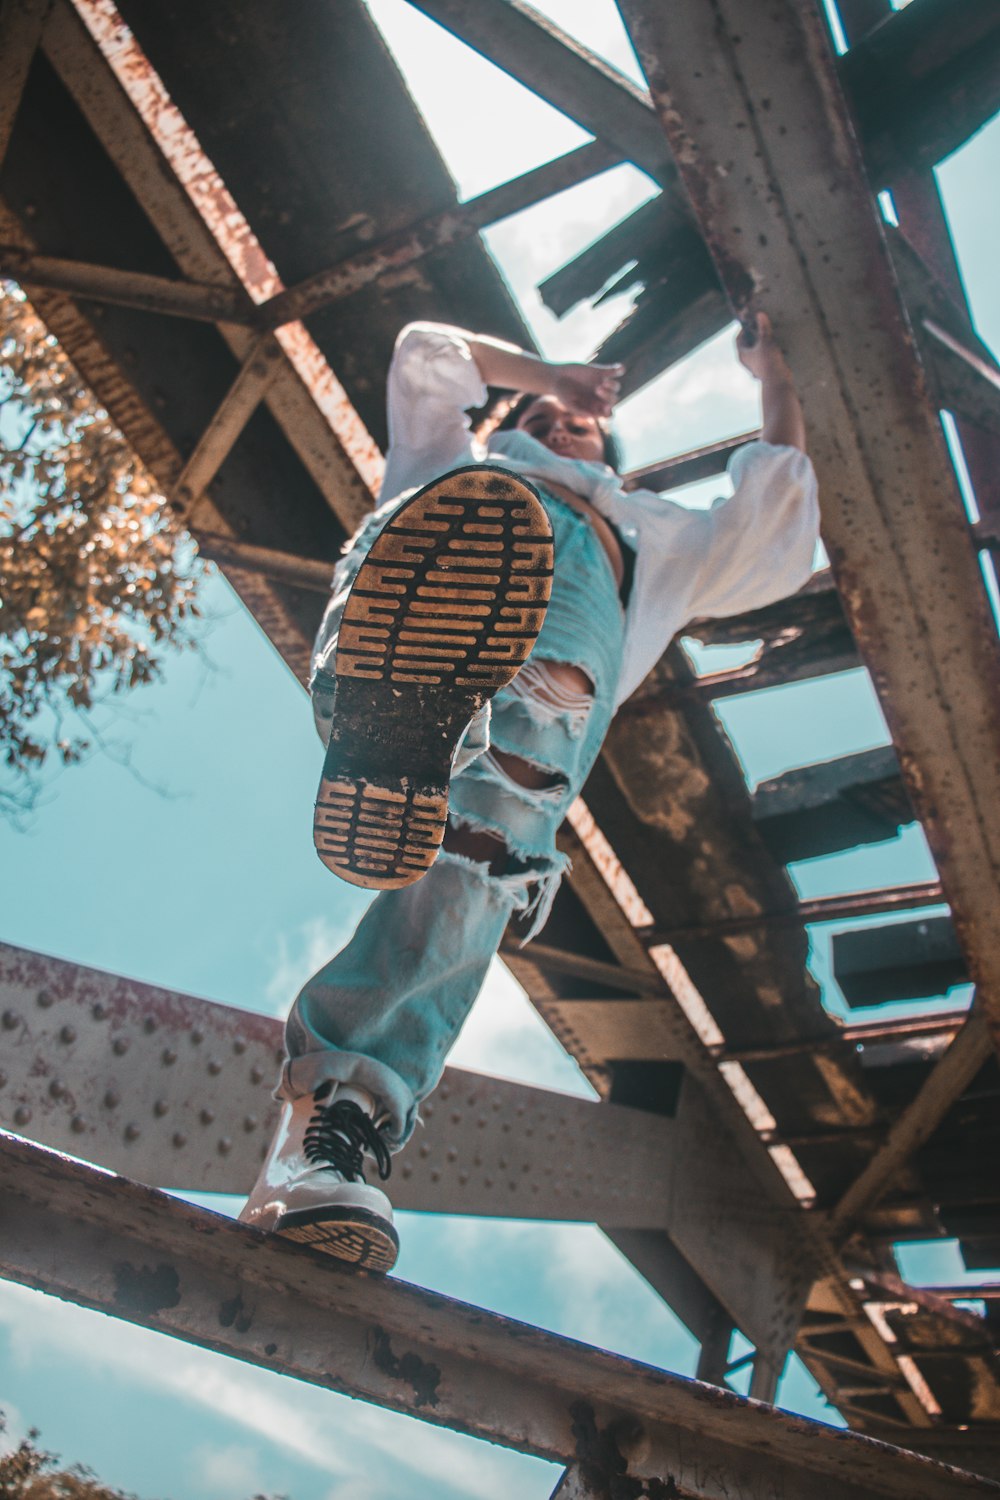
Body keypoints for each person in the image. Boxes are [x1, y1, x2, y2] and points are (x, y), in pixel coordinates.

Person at [239, 313, 818, 1271]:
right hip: (441, 561)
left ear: (610, 450)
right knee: (464, 519)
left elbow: (776, 536)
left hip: (542, 705)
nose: (558, 424)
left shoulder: (650, 533)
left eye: (578, 425)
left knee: (473, 858)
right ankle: (400, 700)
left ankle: (326, 1138)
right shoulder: (455, 462)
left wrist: (779, 379)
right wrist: (555, 373)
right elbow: (427, 352)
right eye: (538, 416)